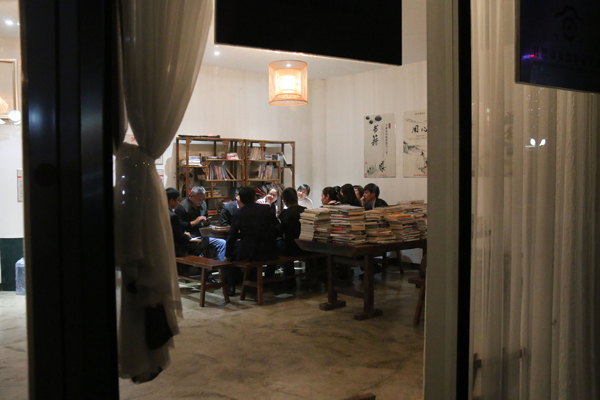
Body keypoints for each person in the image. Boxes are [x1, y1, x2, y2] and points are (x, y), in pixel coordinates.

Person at [225, 186, 280, 295]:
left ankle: (231, 286)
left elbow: (232, 237)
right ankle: (267, 280)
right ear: (255, 197)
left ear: (241, 199)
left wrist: (228, 255)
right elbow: (278, 227)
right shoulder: (266, 209)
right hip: (269, 251)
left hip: (249, 252)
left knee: (232, 258)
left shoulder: (238, 214)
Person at [175, 185, 226, 262]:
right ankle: (203, 267)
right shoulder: (182, 206)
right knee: (199, 249)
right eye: (199, 200)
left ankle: (220, 266)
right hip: (189, 236)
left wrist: (207, 222)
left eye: (203, 199)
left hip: (202, 234)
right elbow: (179, 225)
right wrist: (194, 222)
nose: (201, 202)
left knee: (222, 243)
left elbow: (206, 218)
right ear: (191, 196)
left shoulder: (203, 204)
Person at [277, 188, 306, 276]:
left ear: (285, 202)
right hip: (305, 246)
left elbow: (279, 231)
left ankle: (286, 276)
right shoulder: (305, 210)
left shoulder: (285, 213)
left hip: (290, 248)